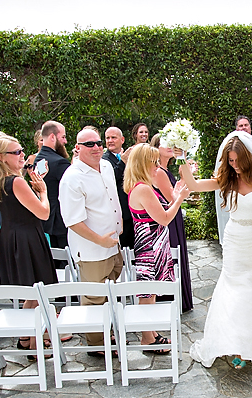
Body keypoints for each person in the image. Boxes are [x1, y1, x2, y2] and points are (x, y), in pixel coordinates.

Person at [181, 131, 252, 368]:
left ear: (248, 158)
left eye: (238, 160)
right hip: (235, 238)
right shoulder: (225, 180)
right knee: (234, 286)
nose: (234, 165)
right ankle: (237, 343)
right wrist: (182, 158)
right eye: (230, 161)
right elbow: (193, 184)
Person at [0, 134, 57, 352]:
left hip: (11, 236)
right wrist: (43, 192)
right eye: (16, 152)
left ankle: (27, 337)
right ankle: (35, 344)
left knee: (29, 292)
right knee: (35, 291)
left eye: (21, 151)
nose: (22, 155)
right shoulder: (15, 181)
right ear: (1, 157)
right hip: (27, 239)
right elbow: (43, 213)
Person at [59, 127, 124, 352]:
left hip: (113, 244)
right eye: (89, 144)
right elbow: (72, 221)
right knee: (94, 298)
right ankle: (97, 344)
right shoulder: (72, 178)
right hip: (92, 250)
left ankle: (108, 332)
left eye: (98, 143)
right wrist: (100, 240)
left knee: (110, 294)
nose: (96, 147)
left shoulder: (105, 166)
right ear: (77, 148)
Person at [125, 144, 190, 351]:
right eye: (153, 162)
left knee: (151, 293)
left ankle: (151, 332)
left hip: (154, 244)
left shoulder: (143, 185)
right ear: (143, 164)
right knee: (147, 292)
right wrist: (179, 199)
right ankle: (147, 338)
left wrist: (176, 194)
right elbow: (163, 218)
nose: (156, 167)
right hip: (151, 246)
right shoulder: (143, 188)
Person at [150, 133, 194, 312]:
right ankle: (171, 299)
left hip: (173, 217)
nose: (169, 147)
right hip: (168, 219)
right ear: (156, 147)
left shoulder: (165, 170)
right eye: (164, 144)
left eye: (171, 144)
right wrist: (185, 177)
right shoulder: (159, 171)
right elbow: (173, 199)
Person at [33, 121, 72, 253]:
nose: (65, 141)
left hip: (50, 219)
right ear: (52, 137)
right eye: (63, 137)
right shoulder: (59, 162)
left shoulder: (39, 159)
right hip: (63, 220)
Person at [103, 126, 134, 248]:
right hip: (119, 211)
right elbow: (111, 178)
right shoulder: (104, 159)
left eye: (113, 138)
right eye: (107, 138)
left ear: (122, 139)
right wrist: (123, 162)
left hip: (131, 206)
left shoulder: (128, 155)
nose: (110, 140)